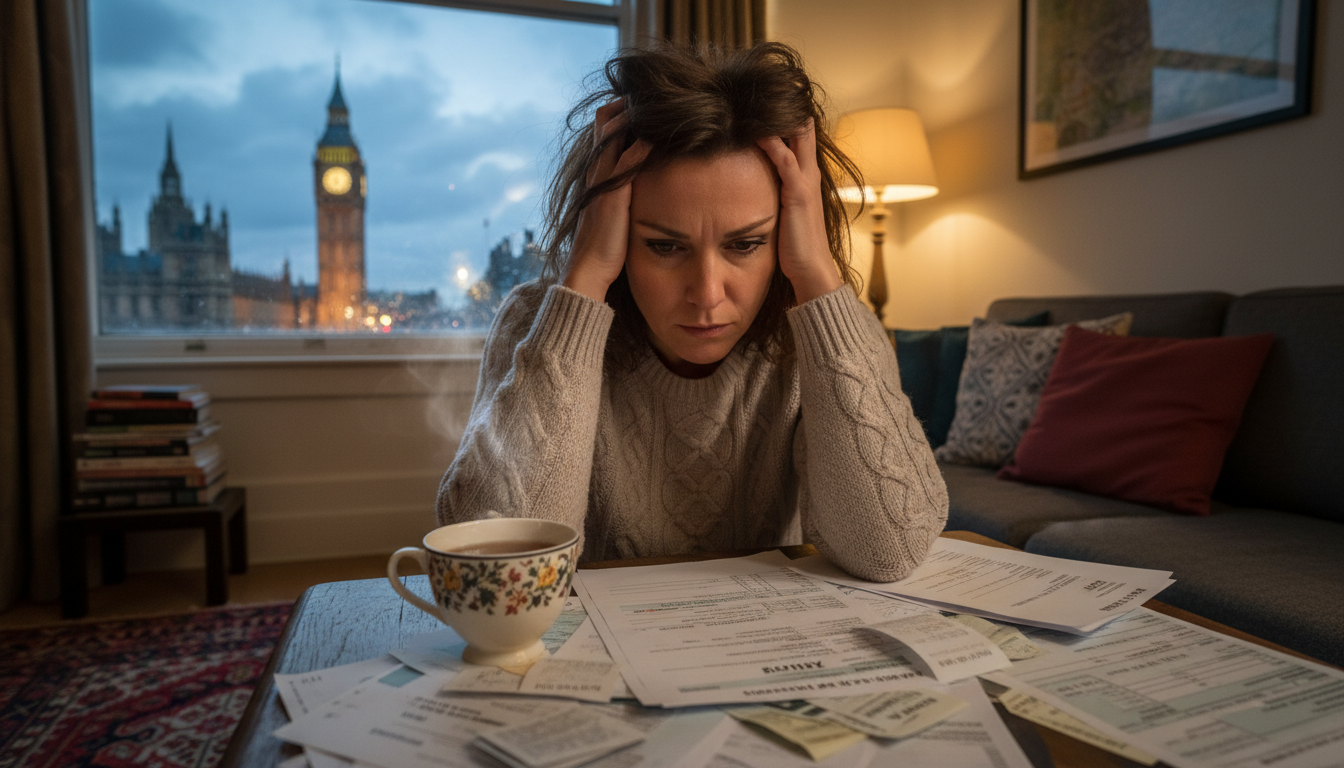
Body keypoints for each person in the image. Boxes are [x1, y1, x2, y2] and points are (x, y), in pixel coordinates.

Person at [436, 41, 947, 582]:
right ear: (615, 231)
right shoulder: (534, 323)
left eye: (746, 244)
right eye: (664, 246)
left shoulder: (817, 331)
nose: (706, 294)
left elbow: (891, 550)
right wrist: (583, 281)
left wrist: (818, 276)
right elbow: (493, 572)